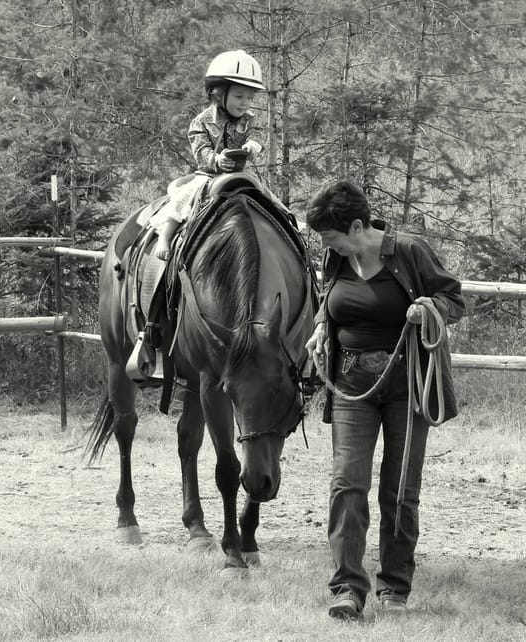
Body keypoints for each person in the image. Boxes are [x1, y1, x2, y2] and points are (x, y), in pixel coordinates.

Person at [303, 180, 464, 620]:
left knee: (399, 489)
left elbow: (454, 297)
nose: (327, 244)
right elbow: (329, 301)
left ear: (357, 226)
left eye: (331, 235)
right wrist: (321, 325)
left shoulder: (409, 251)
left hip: (407, 384)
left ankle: (394, 586)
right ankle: (347, 589)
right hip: (352, 381)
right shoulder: (335, 257)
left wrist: (429, 307)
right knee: (346, 483)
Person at [153, 49, 265, 260]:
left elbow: (259, 137)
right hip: (209, 175)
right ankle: (165, 235)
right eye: (239, 96)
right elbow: (201, 150)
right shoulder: (201, 122)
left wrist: (254, 146)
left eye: (250, 98)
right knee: (185, 197)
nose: (245, 103)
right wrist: (217, 159)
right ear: (218, 94)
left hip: (242, 174)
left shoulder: (250, 119)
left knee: (268, 197)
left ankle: (290, 229)